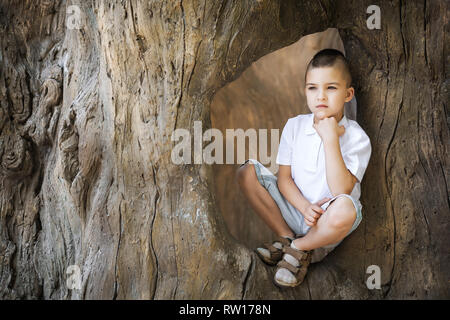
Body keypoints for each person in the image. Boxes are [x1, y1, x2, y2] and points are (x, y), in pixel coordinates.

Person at [236, 48, 372, 288]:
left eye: (331, 88)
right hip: (295, 208)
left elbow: (341, 190)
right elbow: (284, 180)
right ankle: (287, 237)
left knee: (347, 210)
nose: (320, 96)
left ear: (348, 94)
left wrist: (331, 139)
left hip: (327, 220)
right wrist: (304, 207)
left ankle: (300, 247)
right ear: (305, 91)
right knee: (246, 172)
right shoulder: (294, 126)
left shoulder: (357, 138)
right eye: (312, 88)